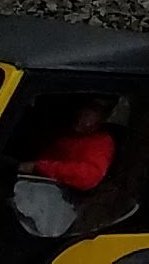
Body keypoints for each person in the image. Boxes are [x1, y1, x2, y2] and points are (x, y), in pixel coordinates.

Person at [10, 97, 117, 241]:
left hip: (61, 210)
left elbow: (88, 177)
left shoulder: (101, 142)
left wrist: (38, 167)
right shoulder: (63, 134)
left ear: (103, 116)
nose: (82, 114)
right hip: (30, 194)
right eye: (82, 108)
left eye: (91, 111)